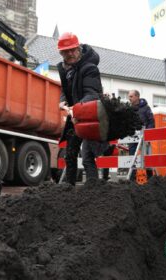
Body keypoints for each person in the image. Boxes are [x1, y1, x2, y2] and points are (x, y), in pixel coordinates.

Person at [57, 32, 103, 186]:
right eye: (65, 52)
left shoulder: (89, 68)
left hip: (90, 115)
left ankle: (93, 190)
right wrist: (63, 101)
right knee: (70, 155)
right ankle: (69, 191)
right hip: (75, 117)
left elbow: (92, 94)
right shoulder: (67, 70)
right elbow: (65, 90)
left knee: (87, 156)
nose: (70, 54)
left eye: (72, 50)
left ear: (78, 48)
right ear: (61, 53)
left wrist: (76, 110)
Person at [128, 89, 155, 180]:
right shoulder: (129, 109)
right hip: (132, 137)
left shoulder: (146, 108)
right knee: (132, 157)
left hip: (144, 137)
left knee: (146, 158)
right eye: (129, 96)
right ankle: (132, 180)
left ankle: (150, 179)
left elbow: (151, 121)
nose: (129, 98)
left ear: (137, 97)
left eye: (131, 96)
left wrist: (148, 134)